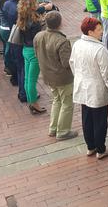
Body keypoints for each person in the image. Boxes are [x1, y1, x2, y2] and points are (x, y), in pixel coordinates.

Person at [70, 17, 108, 159]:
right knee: (100, 121)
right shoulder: (99, 49)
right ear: (90, 32)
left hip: (82, 87)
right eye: (98, 29)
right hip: (97, 89)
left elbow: (72, 63)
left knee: (87, 118)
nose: (101, 31)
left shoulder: (77, 44)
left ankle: (91, 147)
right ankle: (101, 149)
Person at [33, 11, 77, 141]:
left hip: (48, 76)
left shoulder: (39, 36)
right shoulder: (62, 41)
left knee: (57, 100)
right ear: (60, 24)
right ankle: (63, 131)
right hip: (63, 78)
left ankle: (53, 128)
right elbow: (66, 63)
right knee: (67, 103)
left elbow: (37, 55)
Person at [18, 0, 46, 115]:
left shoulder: (21, 18)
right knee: (32, 80)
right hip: (34, 51)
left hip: (25, 49)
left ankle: (31, 102)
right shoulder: (35, 22)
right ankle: (34, 104)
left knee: (27, 78)